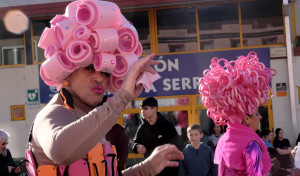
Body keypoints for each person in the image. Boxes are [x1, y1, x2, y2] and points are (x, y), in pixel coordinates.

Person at [28, 0, 184, 175]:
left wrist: (146, 168)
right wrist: (122, 97)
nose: (99, 78)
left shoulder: (92, 119)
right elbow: (60, 151)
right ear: (67, 72)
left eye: (106, 71)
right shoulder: (53, 113)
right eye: (89, 68)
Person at [198, 51, 276, 175]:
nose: (261, 117)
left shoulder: (223, 141)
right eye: (256, 113)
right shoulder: (251, 143)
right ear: (245, 119)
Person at [132, 97, 181, 175]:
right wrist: (137, 146)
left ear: (154, 109)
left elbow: (178, 146)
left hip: (168, 170)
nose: (142, 111)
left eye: (145, 108)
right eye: (141, 109)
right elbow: (134, 143)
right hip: (150, 170)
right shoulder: (142, 128)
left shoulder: (167, 125)